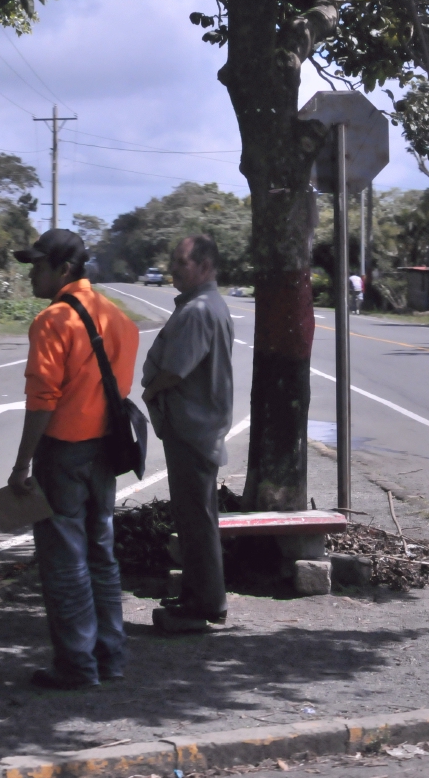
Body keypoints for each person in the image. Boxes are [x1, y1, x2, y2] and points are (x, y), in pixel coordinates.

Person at [6, 228, 139, 688]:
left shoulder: (52, 322)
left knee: (65, 561)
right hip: (106, 451)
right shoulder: (119, 319)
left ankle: (77, 665)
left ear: (64, 270)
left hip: (64, 453)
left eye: (38, 266)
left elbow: (42, 400)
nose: (31, 274)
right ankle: (111, 656)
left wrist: (22, 464)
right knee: (101, 554)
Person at [141, 235, 234, 633]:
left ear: (205, 266)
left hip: (193, 429)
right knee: (196, 516)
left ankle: (204, 605)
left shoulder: (198, 310)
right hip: (197, 427)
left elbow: (176, 369)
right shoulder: (204, 305)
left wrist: (151, 389)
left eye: (181, 263)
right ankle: (201, 596)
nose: (174, 270)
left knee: (196, 519)